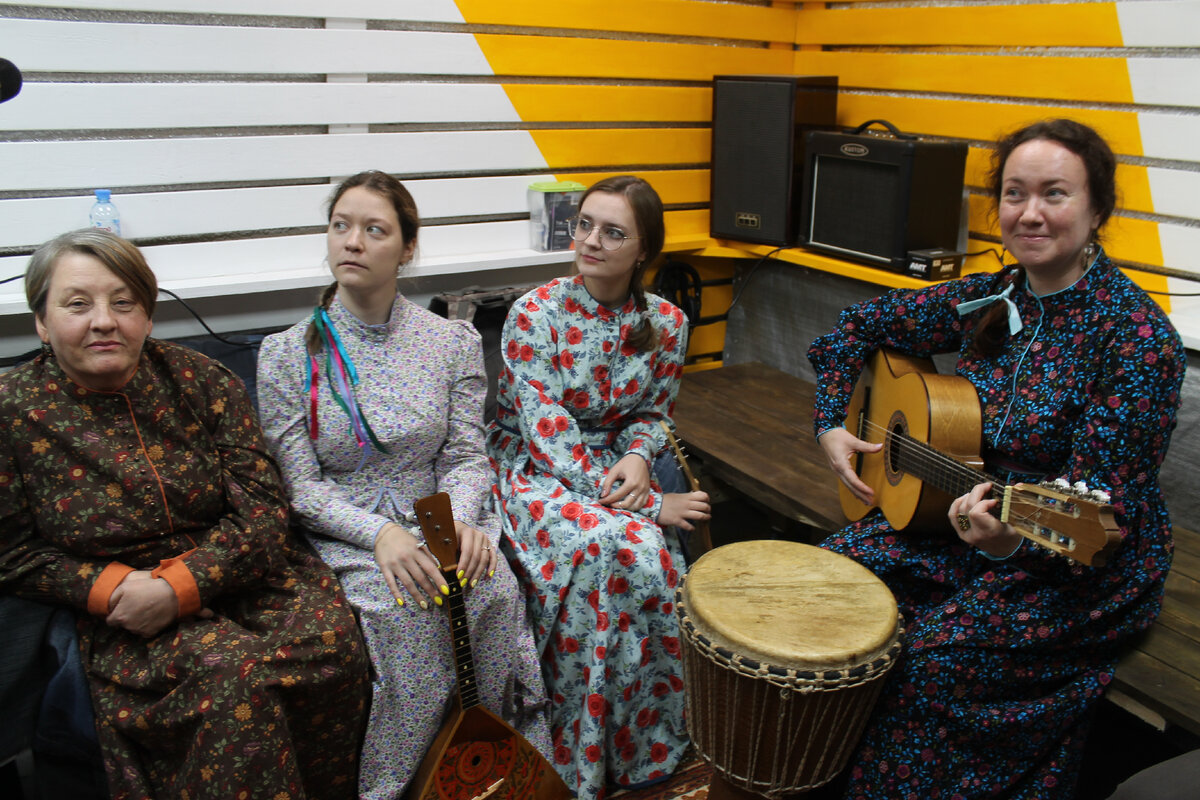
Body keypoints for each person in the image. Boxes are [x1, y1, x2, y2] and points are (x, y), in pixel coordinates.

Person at [808, 118, 1186, 798]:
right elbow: (854, 328)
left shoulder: (1136, 340)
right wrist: (832, 423)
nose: (1030, 213)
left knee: (934, 664)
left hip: (1075, 561)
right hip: (959, 514)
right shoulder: (992, 296)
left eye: (1054, 194)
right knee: (829, 583)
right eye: (1015, 193)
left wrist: (1012, 545)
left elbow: (1098, 524)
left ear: (1098, 209)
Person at [0, 229, 371, 800]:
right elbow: (12, 552)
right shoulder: (11, 410)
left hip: (239, 572)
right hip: (128, 604)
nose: (104, 321)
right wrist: (113, 588)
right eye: (77, 304)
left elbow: (264, 508)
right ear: (42, 324)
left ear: (147, 317)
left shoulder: (202, 380)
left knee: (334, 647)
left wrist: (183, 585)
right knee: (231, 679)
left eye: (124, 303)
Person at [255, 170, 552, 800]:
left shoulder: (451, 341)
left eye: (374, 229)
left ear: (407, 248)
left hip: (440, 511)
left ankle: (494, 773)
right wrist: (382, 536)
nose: (352, 242)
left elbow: (466, 455)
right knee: (410, 610)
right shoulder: (287, 354)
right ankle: (395, 787)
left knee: (491, 588)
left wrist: (460, 525)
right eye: (341, 226)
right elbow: (301, 488)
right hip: (351, 527)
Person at [487, 175, 711, 798]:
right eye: (584, 224)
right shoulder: (534, 313)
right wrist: (650, 502)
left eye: (613, 233)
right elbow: (548, 434)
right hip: (533, 465)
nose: (590, 241)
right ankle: (573, 755)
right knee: (603, 548)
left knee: (648, 555)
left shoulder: (667, 321)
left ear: (643, 251)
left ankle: (645, 748)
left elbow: (655, 412)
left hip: (616, 466)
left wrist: (639, 456)